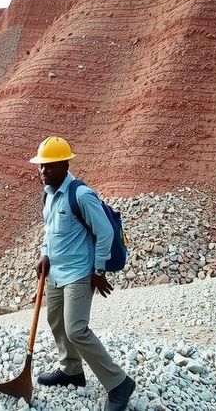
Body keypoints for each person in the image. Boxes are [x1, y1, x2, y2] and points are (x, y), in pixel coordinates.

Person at [29, 136, 136, 411]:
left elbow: (105, 232)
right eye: (41, 166)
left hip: (79, 273)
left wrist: (98, 270)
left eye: (49, 167)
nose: (43, 172)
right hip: (55, 272)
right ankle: (71, 371)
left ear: (65, 165)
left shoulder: (82, 195)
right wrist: (44, 253)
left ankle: (119, 384)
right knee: (56, 322)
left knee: (76, 329)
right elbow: (49, 231)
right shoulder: (49, 195)